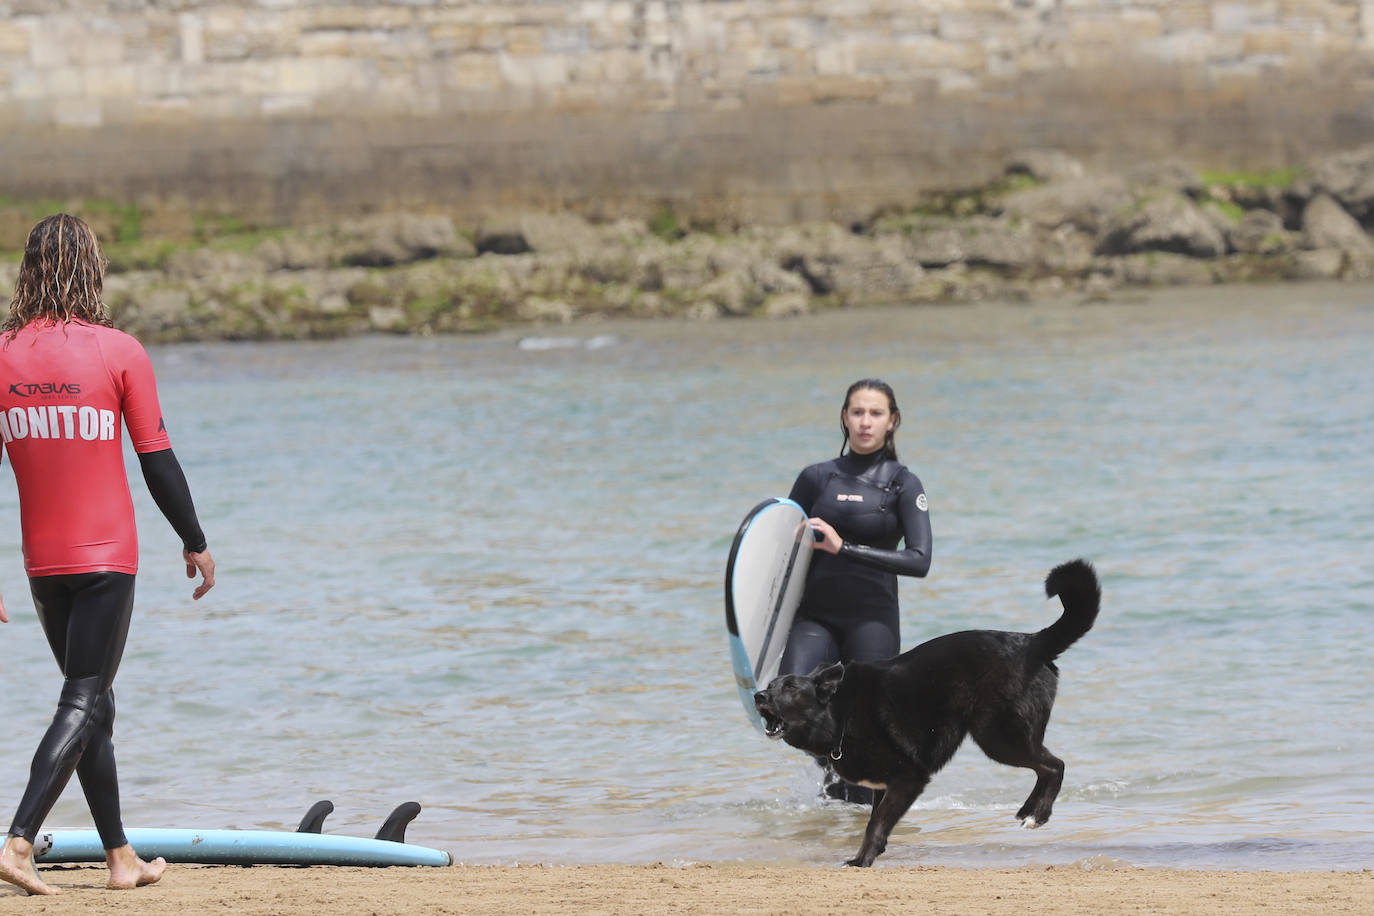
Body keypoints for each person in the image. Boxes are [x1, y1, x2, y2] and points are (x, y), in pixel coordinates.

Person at [0, 214, 215, 896]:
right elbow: (157, 459)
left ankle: (119, 856)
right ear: (92, 269)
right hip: (106, 559)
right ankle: (18, 840)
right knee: (86, 698)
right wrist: (195, 538)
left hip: (43, 566)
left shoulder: (1, 353)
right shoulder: (120, 351)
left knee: (94, 705)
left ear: (28, 270)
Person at [778, 378, 932, 802]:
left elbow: (920, 560)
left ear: (892, 421)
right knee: (792, 701)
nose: (866, 422)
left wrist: (844, 548)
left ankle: (858, 809)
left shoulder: (903, 484)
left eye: (876, 413)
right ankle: (837, 789)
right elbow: (780, 553)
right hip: (814, 616)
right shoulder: (815, 478)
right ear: (844, 418)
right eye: (858, 412)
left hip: (872, 620)